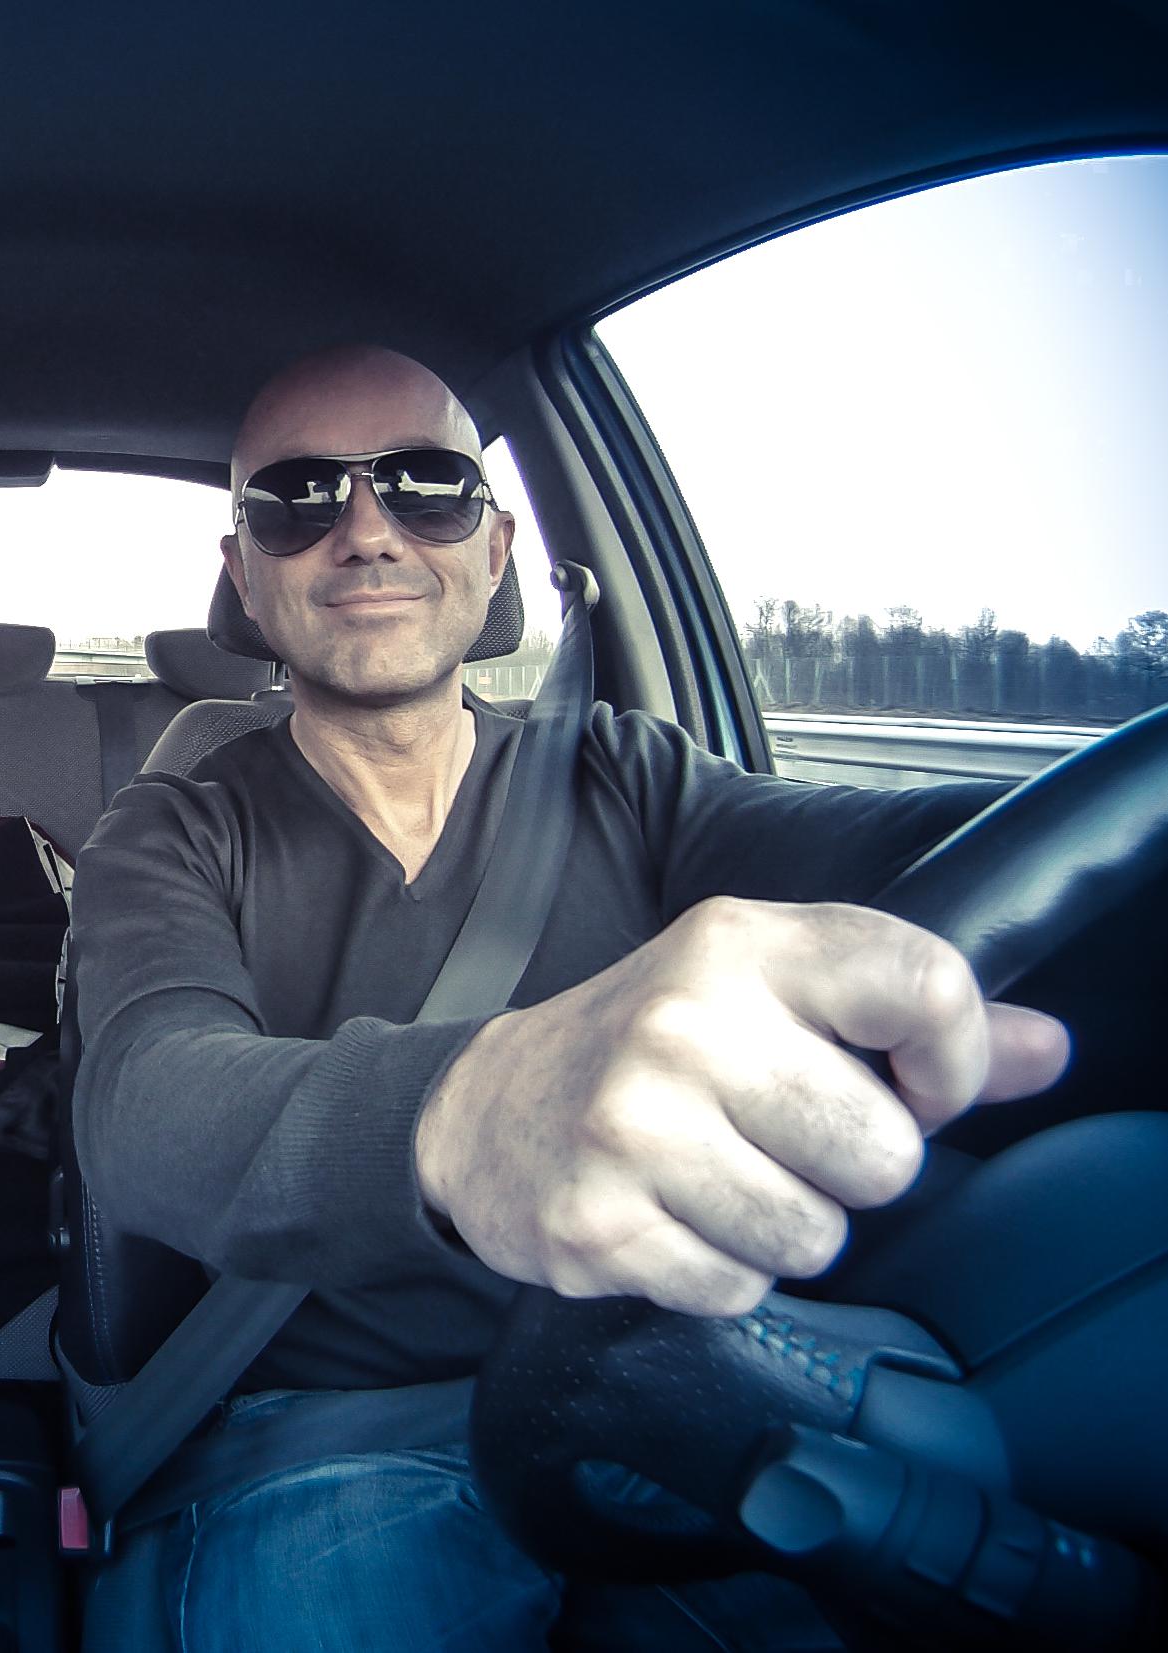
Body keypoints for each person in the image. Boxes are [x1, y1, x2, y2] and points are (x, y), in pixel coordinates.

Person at [66, 344, 1072, 1649]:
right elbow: (144, 1099)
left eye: (422, 485)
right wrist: (460, 1107)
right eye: (298, 498)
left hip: (683, 1383)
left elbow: (903, 851)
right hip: (329, 1441)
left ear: (491, 548)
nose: (364, 529)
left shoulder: (626, 774)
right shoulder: (172, 827)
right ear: (243, 570)